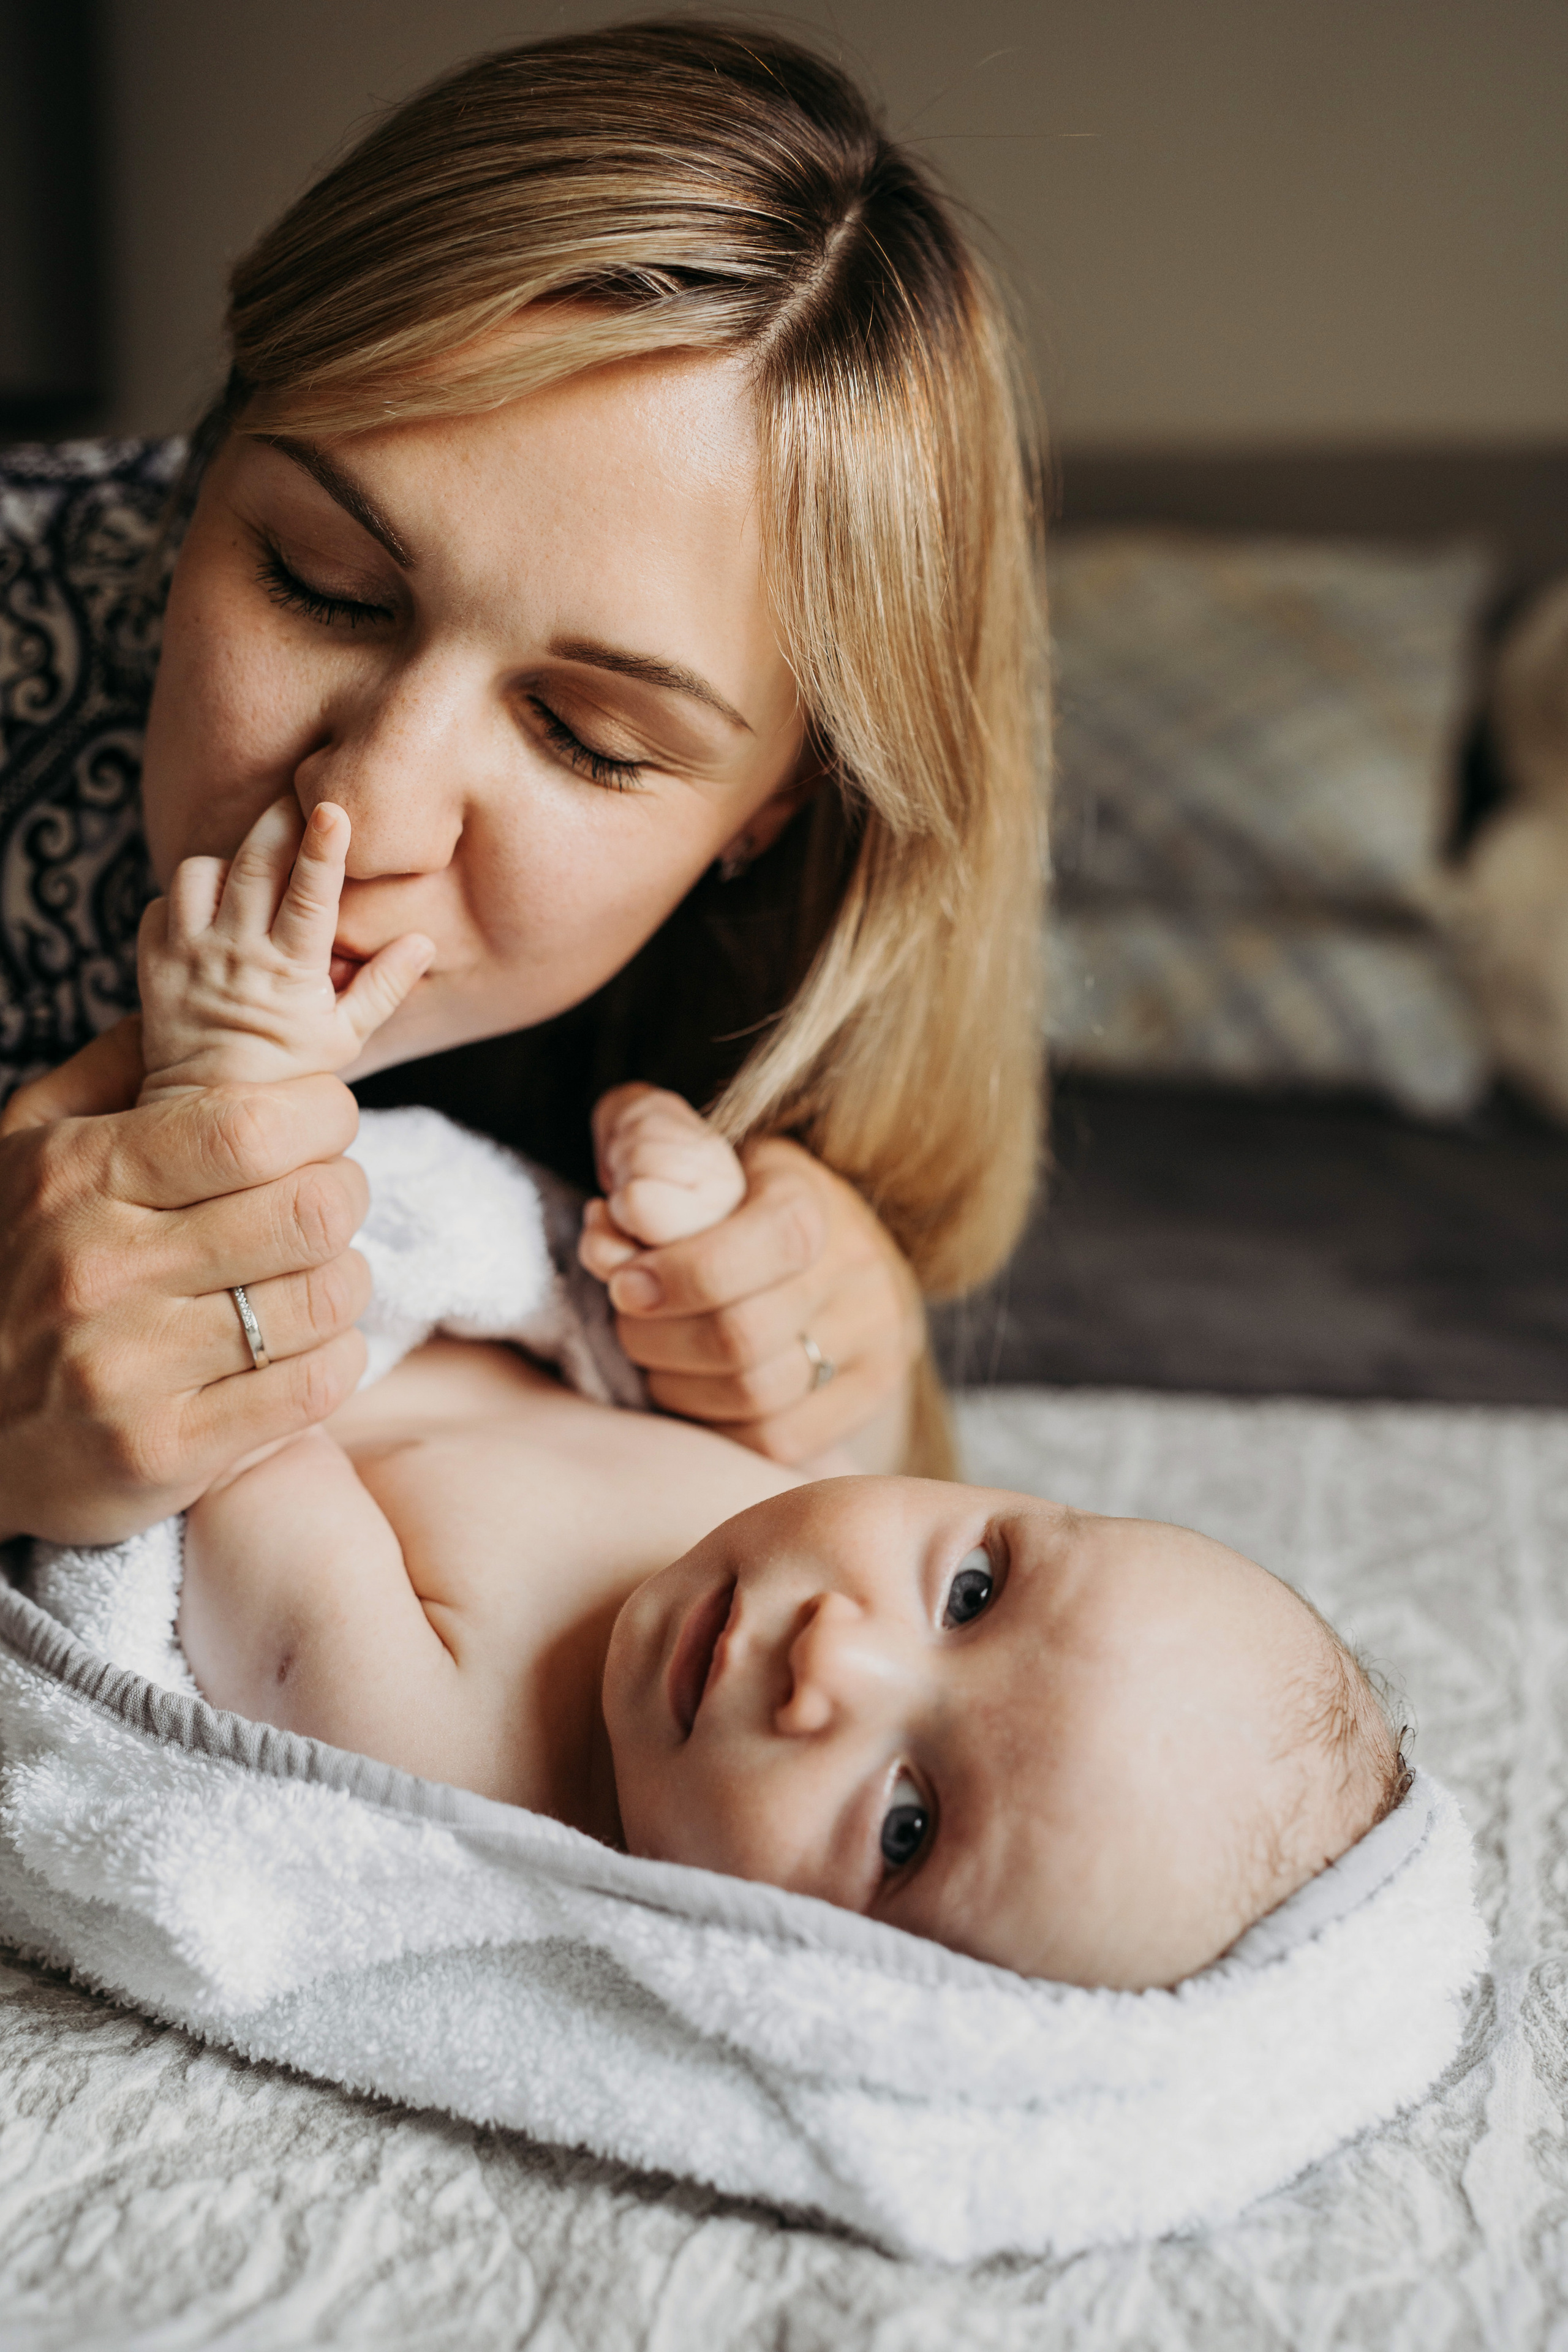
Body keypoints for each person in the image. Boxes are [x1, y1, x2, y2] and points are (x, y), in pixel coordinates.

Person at [0, 20, 1046, 1548]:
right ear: (204, 470)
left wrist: (842, 1365)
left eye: (587, 738)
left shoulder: (774, 1010)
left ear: (781, 805)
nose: (365, 811)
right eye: (324, 584)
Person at [160, 794, 1400, 1991]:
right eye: (971, 1592)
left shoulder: (441, 1749)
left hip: (259, 1281)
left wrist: (227, 1095)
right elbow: (728, 1355)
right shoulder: (800, 1504)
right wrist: (685, 1227)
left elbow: (211, 1405)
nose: (837, 1654)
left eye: (904, 1829)